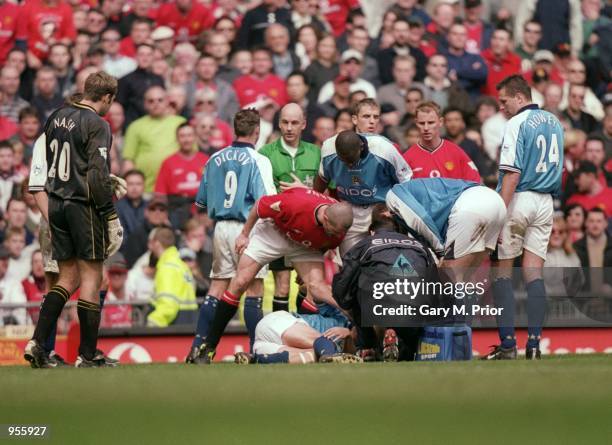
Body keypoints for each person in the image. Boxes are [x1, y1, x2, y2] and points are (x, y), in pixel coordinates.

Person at [24, 71, 124, 368]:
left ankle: (37, 342)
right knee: (92, 278)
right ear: (106, 97)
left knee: (66, 278)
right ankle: (88, 353)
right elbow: (94, 174)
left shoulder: (56, 116)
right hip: (83, 207)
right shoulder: (98, 124)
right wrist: (109, 214)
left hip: (57, 205)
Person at [198, 187, 353, 363]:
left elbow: (328, 244)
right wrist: (244, 234)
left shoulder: (339, 227)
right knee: (240, 282)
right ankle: (208, 347)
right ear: (325, 218)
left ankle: (338, 318)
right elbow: (259, 206)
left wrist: (345, 309)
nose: (337, 235)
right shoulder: (295, 205)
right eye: (333, 230)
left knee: (316, 286)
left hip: (305, 244)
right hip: (274, 232)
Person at [186, 109, 276, 364]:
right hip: (247, 227)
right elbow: (265, 201)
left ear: (234, 129)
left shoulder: (214, 158)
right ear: (257, 131)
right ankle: (256, 350)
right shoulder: (259, 160)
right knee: (254, 288)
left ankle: (198, 348)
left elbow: (202, 201)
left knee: (217, 287)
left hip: (220, 227)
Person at [486, 75, 564, 361]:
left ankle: (508, 345)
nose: (502, 107)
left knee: (502, 272)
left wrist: (498, 212)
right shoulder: (554, 121)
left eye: (504, 101)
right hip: (546, 202)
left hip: (520, 198)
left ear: (520, 97)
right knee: (533, 273)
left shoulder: (516, 123)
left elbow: (512, 172)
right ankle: (534, 344)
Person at [332, 203, 437, 361]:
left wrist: (349, 304)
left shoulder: (363, 246)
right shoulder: (420, 247)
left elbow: (342, 289)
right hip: (416, 311)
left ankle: (367, 348)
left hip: (378, 308)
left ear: (371, 231)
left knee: (354, 291)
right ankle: (406, 347)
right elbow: (436, 287)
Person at [259, 103, 322, 313]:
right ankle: (280, 333)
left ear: (303, 124)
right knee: (282, 285)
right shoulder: (265, 153)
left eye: (294, 123)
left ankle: (303, 329)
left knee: (310, 285)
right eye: (285, 122)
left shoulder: (316, 153)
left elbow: (327, 194)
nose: (289, 127)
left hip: (308, 230)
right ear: (278, 123)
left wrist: (305, 191)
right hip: (277, 228)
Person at [386, 178, 506, 283]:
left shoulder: (393, 195)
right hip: (496, 203)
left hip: (471, 205)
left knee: (450, 276)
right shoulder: (413, 193)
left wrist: (441, 252)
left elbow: (421, 218)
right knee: (466, 279)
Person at [315, 128, 412, 255]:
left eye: (351, 160)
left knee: (386, 256)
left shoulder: (384, 149)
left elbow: (405, 181)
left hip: (381, 209)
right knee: (350, 259)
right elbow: (322, 179)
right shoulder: (328, 148)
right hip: (349, 210)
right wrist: (315, 202)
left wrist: (396, 210)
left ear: (361, 147)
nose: (349, 165)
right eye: (344, 160)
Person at [235, 303, 360, 364]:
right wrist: (348, 326)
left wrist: (349, 335)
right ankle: (328, 355)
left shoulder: (350, 350)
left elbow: (350, 353)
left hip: (264, 346)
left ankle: (254, 359)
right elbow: (315, 290)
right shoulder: (341, 317)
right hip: (278, 324)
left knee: (311, 357)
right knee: (323, 342)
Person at [122, 85, 186, 192]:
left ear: (167, 101)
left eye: (160, 100)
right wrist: (130, 187)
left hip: (177, 187)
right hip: (145, 189)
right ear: (145, 104)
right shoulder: (135, 126)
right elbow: (129, 160)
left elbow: (191, 153)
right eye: (151, 101)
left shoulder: (181, 123)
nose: (156, 104)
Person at [403, 102, 481, 182]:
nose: (426, 128)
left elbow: (475, 183)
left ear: (440, 122)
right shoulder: (407, 158)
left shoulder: (456, 152)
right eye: (422, 123)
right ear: (416, 123)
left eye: (431, 122)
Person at [154, 123, 209, 230]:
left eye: (189, 135)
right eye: (182, 136)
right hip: (176, 211)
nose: (186, 140)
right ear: (177, 139)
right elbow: (160, 195)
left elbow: (215, 190)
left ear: (194, 137)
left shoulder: (205, 160)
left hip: (202, 212)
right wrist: (163, 217)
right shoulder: (168, 162)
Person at [146, 227, 198, 327]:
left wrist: (153, 322)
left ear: (156, 243)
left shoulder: (167, 267)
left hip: (173, 328)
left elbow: (168, 305)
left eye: (151, 242)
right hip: (187, 324)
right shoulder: (180, 265)